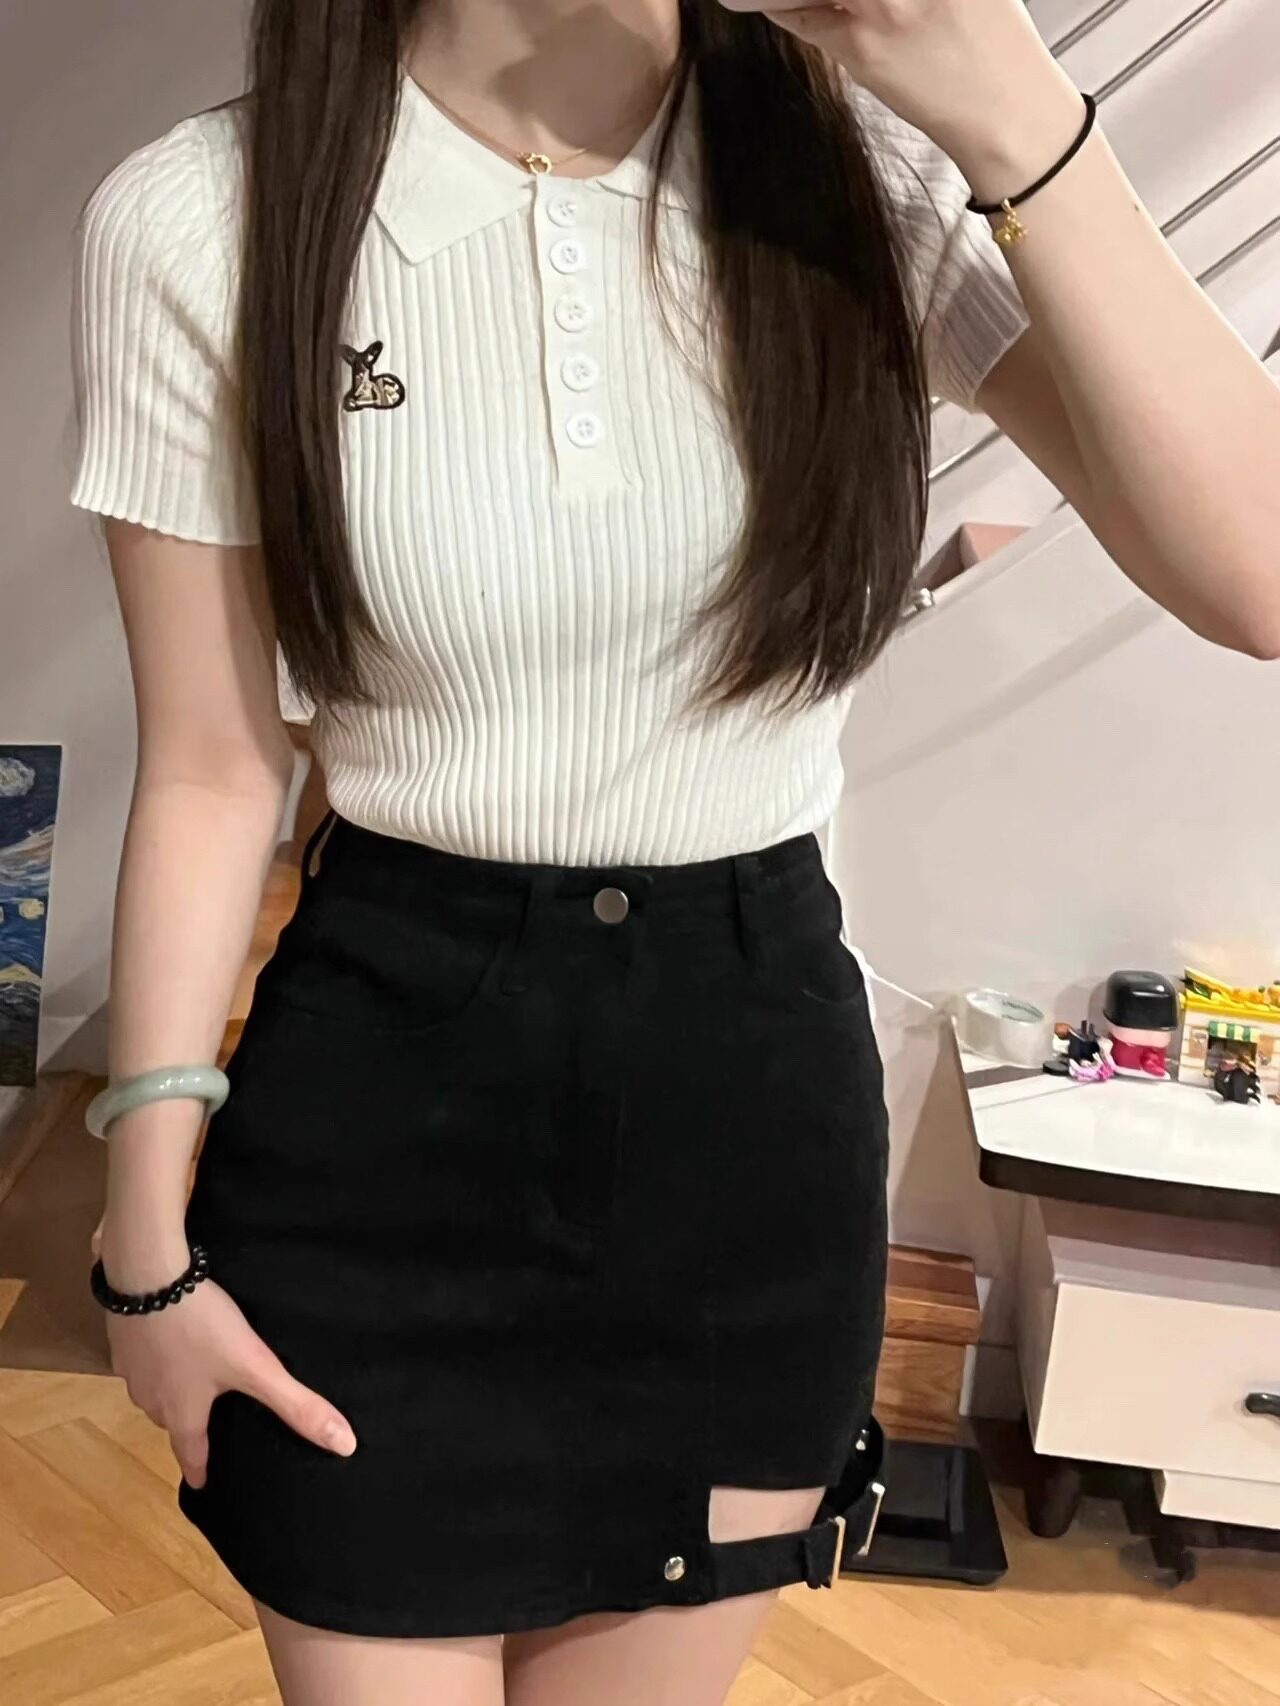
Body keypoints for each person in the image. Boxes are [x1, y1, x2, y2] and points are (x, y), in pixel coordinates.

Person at [70, 1, 1280, 1701]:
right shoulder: (208, 219)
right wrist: (145, 1244)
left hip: (744, 1153)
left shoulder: (866, 179)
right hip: (379, 1141)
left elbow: (1258, 571)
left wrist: (1006, 101)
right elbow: (211, 768)